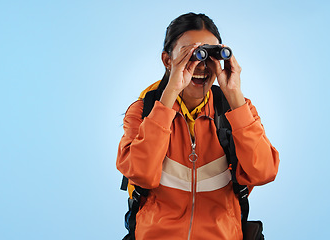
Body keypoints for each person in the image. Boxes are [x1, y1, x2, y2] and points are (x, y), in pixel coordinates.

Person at [117, 12, 280, 240]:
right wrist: (168, 97)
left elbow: (263, 172)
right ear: (167, 60)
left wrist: (234, 96)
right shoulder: (144, 112)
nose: (201, 66)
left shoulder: (236, 110)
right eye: (190, 54)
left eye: (209, 54)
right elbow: (141, 175)